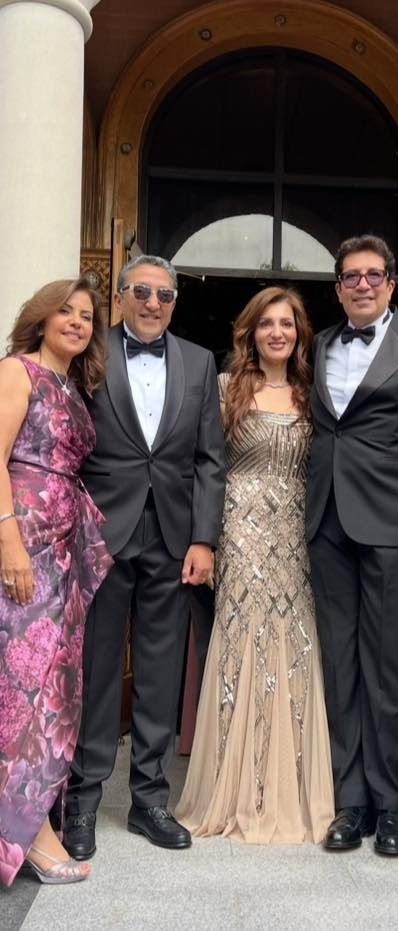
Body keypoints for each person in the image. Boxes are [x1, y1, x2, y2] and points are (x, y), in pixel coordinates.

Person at [63, 255, 226, 859]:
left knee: (160, 672)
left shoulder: (200, 362)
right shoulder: (90, 351)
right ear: (121, 296)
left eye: (164, 294)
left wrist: (204, 539)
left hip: (174, 537)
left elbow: (210, 459)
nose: (153, 303)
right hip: (101, 532)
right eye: (141, 292)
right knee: (97, 668)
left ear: (175, 302)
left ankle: (150, 801)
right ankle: (81, 801)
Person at [306, 234, 398, 856]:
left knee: (389, 669)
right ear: (338, 287)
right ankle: (353, 803)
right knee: (340, 667)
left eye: (373, 275)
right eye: (350, 276)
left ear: (392, 284)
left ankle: (393, 805)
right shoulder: (318, 344)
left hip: (397, 526)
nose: (362, 285)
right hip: (326, 522)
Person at [175, 286, 334, 843]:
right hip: (238, 532)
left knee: (297, 644)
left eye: (286, 324)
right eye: (267, 323)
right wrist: (207, 540)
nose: (277, 332)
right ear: (251, 332)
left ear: (299, 333)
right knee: (242, 644)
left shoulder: (315, 394)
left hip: (297, 535)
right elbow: (203, 465)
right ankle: (234, 788)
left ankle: (291, 790)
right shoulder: (225, 389)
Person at [0, 278, 112, 886]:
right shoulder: (17, 371)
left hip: (62, 553)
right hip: (24, 547)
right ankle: (34, 837)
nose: (76, 322)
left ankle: (29, 823)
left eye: (86, 316)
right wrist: (10, 543)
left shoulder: (73, 387)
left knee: (53, 687)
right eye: (65, 311)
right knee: (24, 689)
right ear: (41, 318)